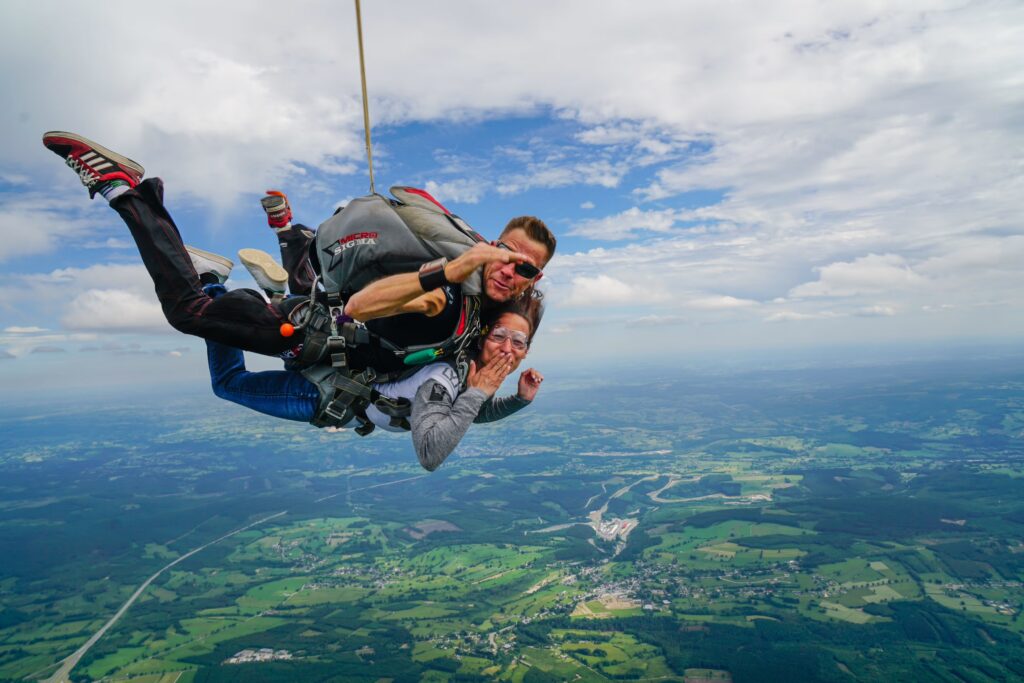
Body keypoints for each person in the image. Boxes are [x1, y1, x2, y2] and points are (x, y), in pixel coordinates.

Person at [41, 131, 556, 361]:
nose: (511, 270)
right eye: (506, 254)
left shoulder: (489, 318)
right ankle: (126, 191)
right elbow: (364, 305)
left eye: (526, 269)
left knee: (297, 276)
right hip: (308, 333)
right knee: (189, 311)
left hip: (312, 318)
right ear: (489, 247)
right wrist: (451, 269)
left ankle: (238, 258)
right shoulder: (448, 291)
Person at [204, 290, 544, 471]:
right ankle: (212, 289)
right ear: (483, 336)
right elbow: (430, 452)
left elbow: (467, 415)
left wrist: (518, 400)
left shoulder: (468, 369)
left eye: (519, 342)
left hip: (338, 387)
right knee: (228, 383)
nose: (507, 349)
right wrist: (481, 391)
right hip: (321, 396)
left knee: (278, 339)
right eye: (501, 335)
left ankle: (264, 295)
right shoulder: (448, 377)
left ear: (527, 351)